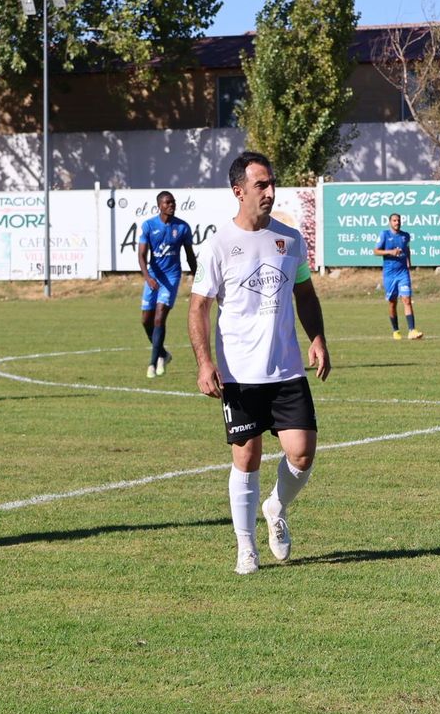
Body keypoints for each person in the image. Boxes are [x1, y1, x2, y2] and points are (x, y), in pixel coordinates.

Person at [189, 151, 330, 575]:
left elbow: (304, 293)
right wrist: (204, 363)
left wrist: (318, 338)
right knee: (246, 459)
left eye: (272, 184)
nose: (270, 191)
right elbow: (198, 308)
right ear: (239, 191)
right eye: (261, 185)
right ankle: (245, 546)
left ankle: (276, 506)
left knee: (302, 454)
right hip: (238, 375)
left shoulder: (289, 239)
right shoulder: (218, 245)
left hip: (286, 368)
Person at [137, 190, 197, 377]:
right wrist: (147, 277)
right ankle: (164, 354)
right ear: (160, 206)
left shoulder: (182, 228)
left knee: (159, 317)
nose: (172, 205)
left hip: (171, 277)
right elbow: (141, 255)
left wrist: (197, 277)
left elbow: (189, 255)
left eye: (173, 202)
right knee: (146, 320)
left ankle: (153, 364)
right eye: (167, 203)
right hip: (153, 277)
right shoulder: (148, 226)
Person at [374, 212, 423, 340]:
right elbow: (376, 251)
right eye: (394, 220)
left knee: (406, 300)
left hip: (403, 273)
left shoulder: (405, 236)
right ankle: (396, 330)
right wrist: (390, 252)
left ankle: (412, 330)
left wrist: (409, 262)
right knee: (392, 303)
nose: (397, 223)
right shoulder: (384, 234)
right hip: (390, 274)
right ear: (390, 222)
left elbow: (407, 249)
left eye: (398, 220)